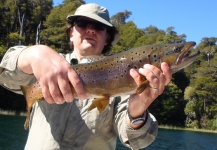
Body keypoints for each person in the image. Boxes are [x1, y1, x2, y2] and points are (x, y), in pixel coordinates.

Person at [0, 3, 172, 150]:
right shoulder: (43, 66)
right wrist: (32, 54)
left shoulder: (128, 79)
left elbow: (137, 141)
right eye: (82, 23)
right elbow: (5, 78)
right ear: (71, 33)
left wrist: (138, 110)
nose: (90, 29)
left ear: (107, 38)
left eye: (99, 27)